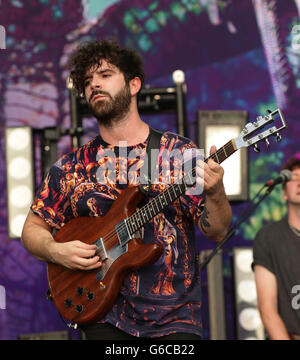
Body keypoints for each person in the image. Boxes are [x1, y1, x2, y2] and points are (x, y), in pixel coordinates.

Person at [21, 39, 232, 340]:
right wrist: (56, 251)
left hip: (175, 318)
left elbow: (216, 230)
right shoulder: (71, 166)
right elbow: (33, 228)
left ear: (134, 84)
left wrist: (215, 192)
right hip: (102, 315)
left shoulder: (179, 152)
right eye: (87, 81)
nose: (94, 84)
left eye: (105, 75)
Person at [253, 155, 300, 340]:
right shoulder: (268, 238)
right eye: (294, 177)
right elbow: (268, 309)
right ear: (284, 193)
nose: (299, 182)